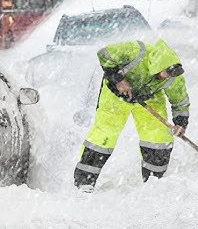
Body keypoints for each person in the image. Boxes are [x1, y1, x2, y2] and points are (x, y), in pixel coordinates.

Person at [73, 39, 190, 190]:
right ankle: (84, 182)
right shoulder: (137, 51)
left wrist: (181, 122)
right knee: (104, 136)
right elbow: (104, 53)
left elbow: (180, 100)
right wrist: (118, 79)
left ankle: (155, 183)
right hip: (115, 95)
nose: (167, 77)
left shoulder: (173, 74)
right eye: (165, 73)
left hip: (149, 98)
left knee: (159, 137)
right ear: (158, 65)